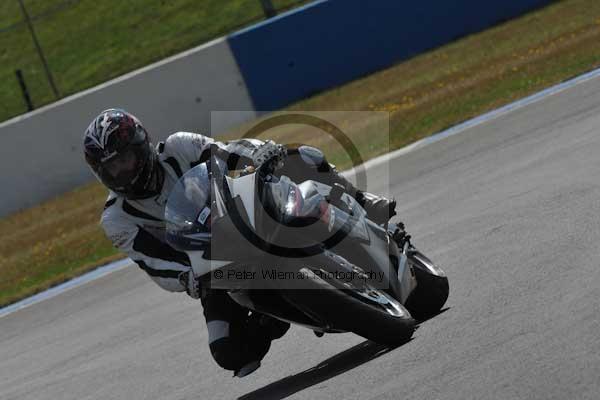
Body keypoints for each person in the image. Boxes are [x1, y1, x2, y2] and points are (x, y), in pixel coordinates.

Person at [83, 108, 397, 377]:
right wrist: (189, 279)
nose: (121, 171)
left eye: (124, 159)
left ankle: (363, 202)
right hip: (210, 264)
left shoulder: (179, 147)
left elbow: (228, 153)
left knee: (300, 157)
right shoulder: (117, 219)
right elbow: (154, 262)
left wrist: (260, 153)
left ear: (142, 146)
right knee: (229, 351)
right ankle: (273, 314)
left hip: (246, 213)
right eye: (111, 167)